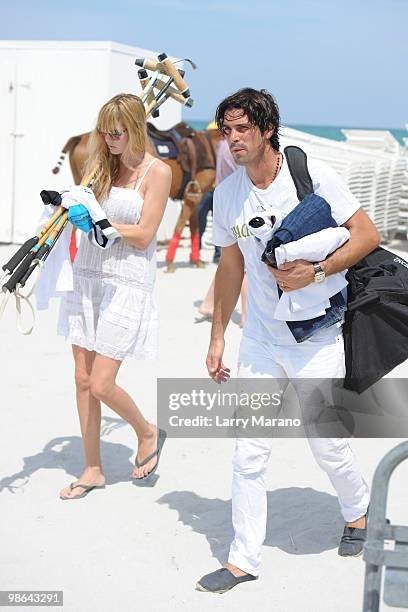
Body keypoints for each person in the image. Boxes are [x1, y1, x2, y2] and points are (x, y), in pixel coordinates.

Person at [196, 88, 380, 593]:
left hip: (317, 335)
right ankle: (243, 559)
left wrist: (317, 269)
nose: (232, 140)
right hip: (259, 338)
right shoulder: (230, 193)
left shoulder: (312, 176)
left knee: (326, 442)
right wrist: (218, 336)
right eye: (226, 131)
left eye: (242, 130)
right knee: (248, 452)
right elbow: (230, 265)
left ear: (266, 130)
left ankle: (358, 510)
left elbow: (367, 234)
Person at [58, 93, 172, 499]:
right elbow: (79, 213)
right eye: (105, 133)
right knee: (82, 379)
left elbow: (143, 235)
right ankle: (93, 469)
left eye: (117, 133)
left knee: (104, 383)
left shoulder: (157, 172)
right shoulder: (99, 166)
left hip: (125, 282)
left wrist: (100, 222)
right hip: (88, 276)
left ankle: (147, 431)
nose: (109, 141)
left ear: (136, 129)